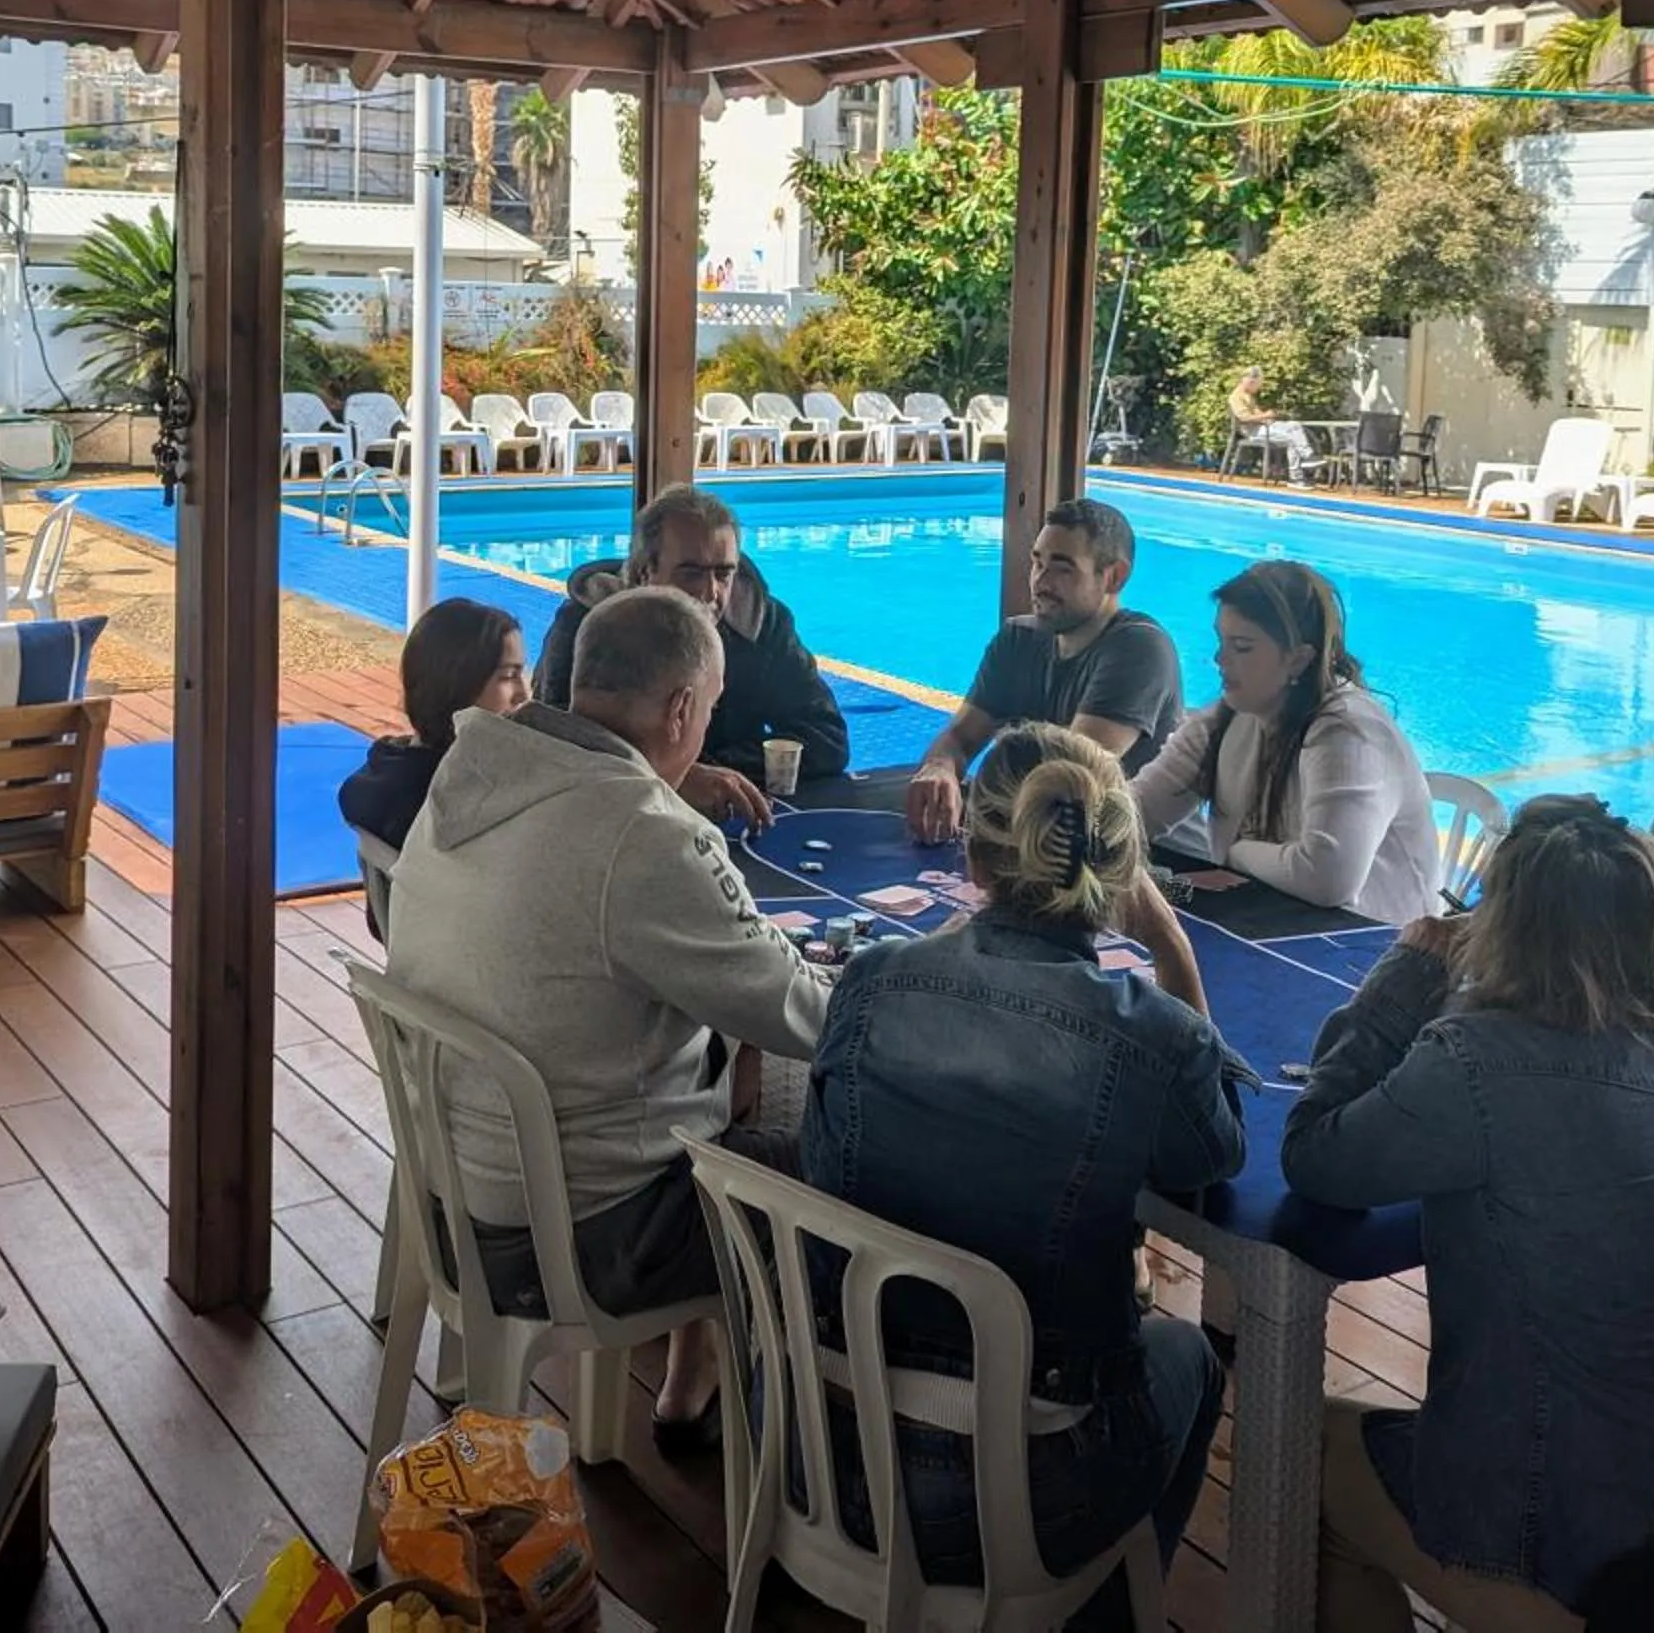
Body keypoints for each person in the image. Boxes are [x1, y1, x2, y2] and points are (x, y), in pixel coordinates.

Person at [1285, 797, 1654, 1631]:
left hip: (1625, 1551)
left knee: (1306, 1454)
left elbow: (1319, 1156)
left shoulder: (1480, 1061)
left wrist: (1408, 976)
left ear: (1506, 928)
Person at [805, 724, 1241, 1626]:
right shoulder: (1152, 1034)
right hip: (1015, 1499)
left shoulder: (873, 981)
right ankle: (1109, 1607)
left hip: (821, 1443)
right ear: (1120, 868)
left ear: (974, 849)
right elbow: (1213, 1155)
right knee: (1190, 1355)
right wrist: (1170, 943)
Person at [387, 585, 833, 1431]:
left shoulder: (476, 767)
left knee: (737, 1090)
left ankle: (700, 1380)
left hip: (452, 1203)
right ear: (679, 710)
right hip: (579, 1241)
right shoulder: (641, 833)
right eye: (707, 712)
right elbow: (803, 1016)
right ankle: (818, 1467)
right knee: (845, 1155)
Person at [1131, 561, 1439, 920]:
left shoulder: (1348, 732)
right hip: (1276, 923)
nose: (1219, 658)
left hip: (1381, 947)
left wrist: (1239, 853)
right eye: (1221, 641)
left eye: (1242, 647)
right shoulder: (1226, 720)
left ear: (1298, 659)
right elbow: (1136, 812)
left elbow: (1328, 878)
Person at [534, 485, 847, 823]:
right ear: (644, 572)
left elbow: (826, 738)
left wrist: (712, 771)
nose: (710, 591)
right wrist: (676, 777)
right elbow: (553, 746)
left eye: (723, 573)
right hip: (609, 813)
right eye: (692, 572)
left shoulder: (759, 625)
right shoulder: (587, 625)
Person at [907, 499, 1183, 840]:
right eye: (1037, 563)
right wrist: (941, 768)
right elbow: (960, 738)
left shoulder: (1140, 648)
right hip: (1051, 844)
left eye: (1062, 568)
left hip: (1155, 864)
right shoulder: (1019, 638)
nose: (1041, 581)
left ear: (1114, 576)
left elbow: (1066, 776)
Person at [335, 596, 528, 858]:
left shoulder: (384, 769)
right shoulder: (457, 809)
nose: (523, 694)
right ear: (456, 686)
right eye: (508, 676)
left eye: (521, 674)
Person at [1228, 367, 1313, 481]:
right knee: (1292, 439)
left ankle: (1308, 456)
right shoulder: (1236, 397)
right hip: (1253, 432)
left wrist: (1268, 418)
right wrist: (1265, 416)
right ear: (1251, 381)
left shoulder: (1248, 396)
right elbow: (1244, 418)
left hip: (1261, 427)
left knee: (1294, 425)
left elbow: (1257, 414)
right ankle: (1296, 478)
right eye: (1258, 384)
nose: (1258, 388)